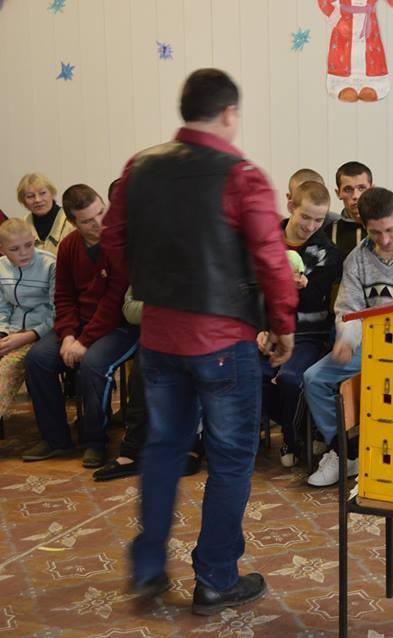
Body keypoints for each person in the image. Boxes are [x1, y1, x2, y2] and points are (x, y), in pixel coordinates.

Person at [101, 68, 298, 613]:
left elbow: (113, 239)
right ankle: (215, 578)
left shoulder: (139, 167)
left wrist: (155, 286)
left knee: (163, 448)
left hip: (159, 334)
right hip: (223, 339)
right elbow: (271, 258)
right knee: (230, 459)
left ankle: (148, 566)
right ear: (229, 113)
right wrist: (283, 325)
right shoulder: (242, 176)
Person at [302, 186, 393, 487]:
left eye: (390, 230)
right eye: (375, 232)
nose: (385, 239)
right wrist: (345, 340)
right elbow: (348, 310)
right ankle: (344, 452)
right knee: (315, 379)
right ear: (363, 226)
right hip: (367, 344)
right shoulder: (357, 259)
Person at [23, 184, 138, 469]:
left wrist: (82, 341)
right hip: (79, 326)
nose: (99, 223)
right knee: (37, 359)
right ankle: (56, 438)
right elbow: (63, 296)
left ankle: (95, 441)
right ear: (73, 223)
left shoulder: (120, 244)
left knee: (93, 365)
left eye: (101, 213)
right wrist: (67, 336)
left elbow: (113, 302)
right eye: (87, 220)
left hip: (119, 326)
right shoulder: (69, 246)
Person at [262, 179, 342, 467]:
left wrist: (288, 288)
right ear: (290, 206)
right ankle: (291, 426)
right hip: (265, 330)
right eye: (305, 217)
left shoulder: (327, 251)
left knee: (290, 378)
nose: (311, 226)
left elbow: (312, 299)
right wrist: (261, 327)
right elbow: (252, 290)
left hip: (307, 334)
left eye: (319, 220)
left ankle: (292, 438)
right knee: (243, 375)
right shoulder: (267, 241)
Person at [0, 219, 55, 420]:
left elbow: (58, 313)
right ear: (2, 249)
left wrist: (29, 336)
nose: (24, 253)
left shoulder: (50, 265)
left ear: (34, 240)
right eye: (14, 249)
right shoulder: (1, 268)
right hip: (11, 331)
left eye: (29, 245)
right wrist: (3, 332)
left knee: (6, 369)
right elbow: (1, 307)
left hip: (41, 333)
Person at [15, 172, 73, 254]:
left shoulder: (71, 221)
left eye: (42, 193)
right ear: (24, 202)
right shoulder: (21, 227)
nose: (37, 200)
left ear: (52, 194)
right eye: (30, 196)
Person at [325, 161, 372, 257]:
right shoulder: (327, 233)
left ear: (372, 190)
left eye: (362, 188)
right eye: (348, 189)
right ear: (338, 193)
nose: (356, 196)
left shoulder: (390, 228)